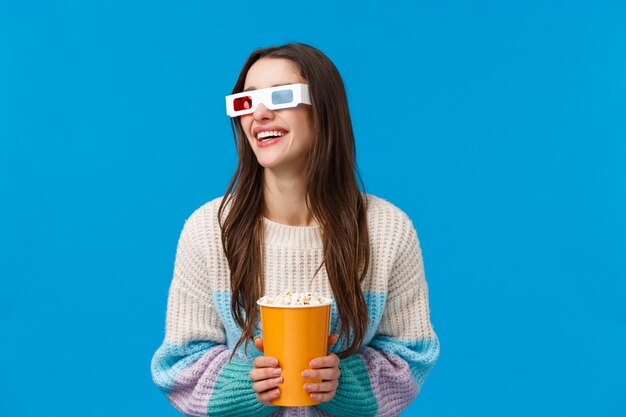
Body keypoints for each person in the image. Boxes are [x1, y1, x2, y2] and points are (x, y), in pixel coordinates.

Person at [151, 43, 440, 417]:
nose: (260, 114)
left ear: (324, 110)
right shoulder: (208, 229)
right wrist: (249, 385)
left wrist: (340, 384)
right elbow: (178, 365)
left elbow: (411, 356)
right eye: (246, 102)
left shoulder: (387, 230)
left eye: (282, 96)